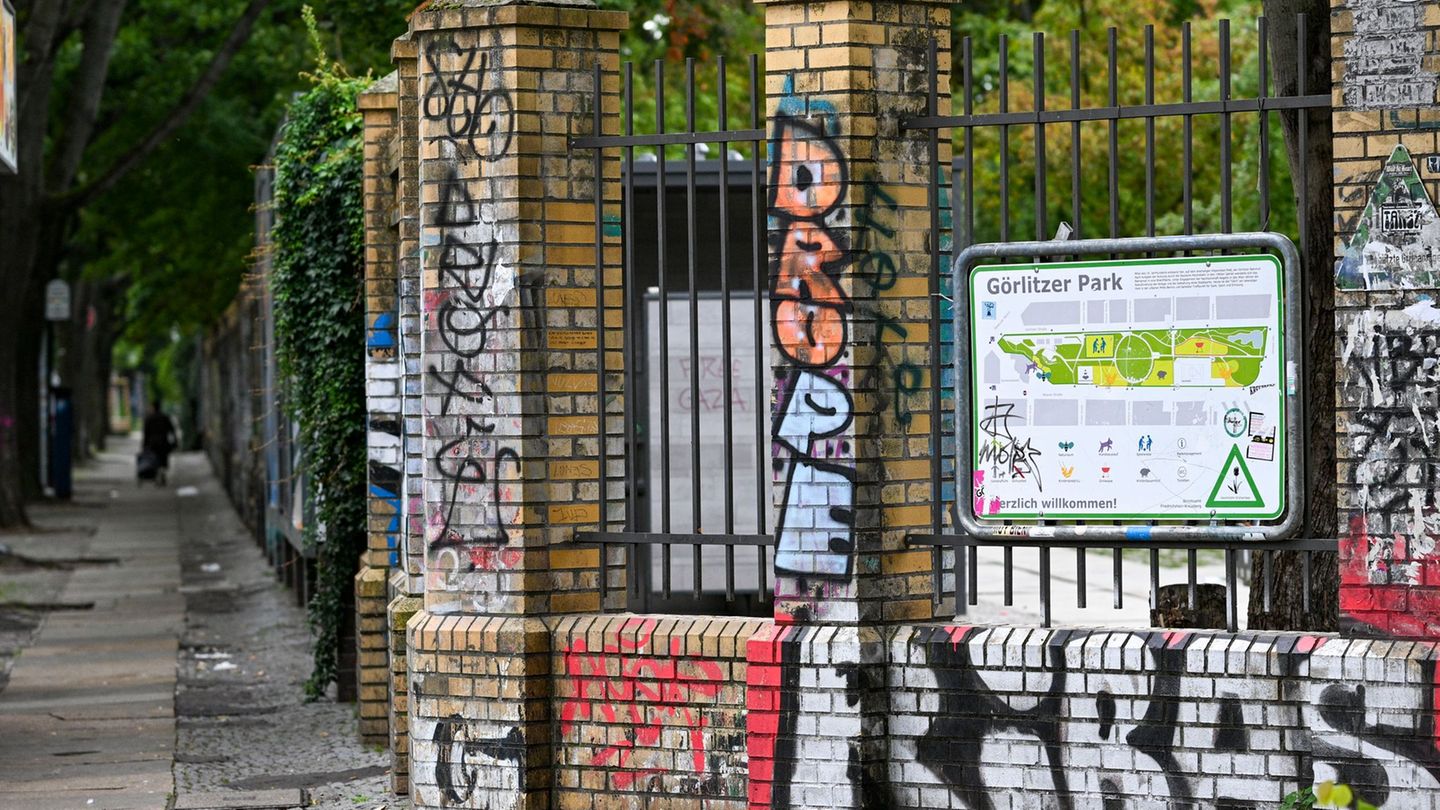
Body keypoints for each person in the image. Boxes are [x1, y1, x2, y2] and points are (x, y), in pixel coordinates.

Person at [141, 402, 178, 485]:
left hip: (153, 444)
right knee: (163, 460)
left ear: (153, 408)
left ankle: (158, 475)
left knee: (155, 460)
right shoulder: (165, 417)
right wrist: (175, 442)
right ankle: (162, 474)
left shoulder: (149, 418)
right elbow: (172, 430)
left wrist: (144, 445)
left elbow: (146, 433)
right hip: (164, 443)